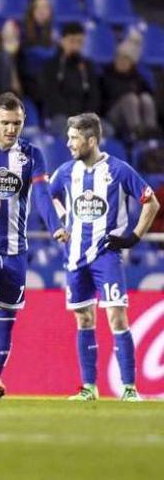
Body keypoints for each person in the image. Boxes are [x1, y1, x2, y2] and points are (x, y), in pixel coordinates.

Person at [0, 92, 68, 400]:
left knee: (7, 320)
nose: (11, 129)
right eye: (6, 122)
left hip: (15, 250)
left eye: (17, 123)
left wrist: (55, 226)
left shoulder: (32, 154)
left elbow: (42, 195)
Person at [49, 113, 160, 401]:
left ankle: (129, 388)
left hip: (106, 256)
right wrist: (60, 223)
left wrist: (132, 237)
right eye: (69, 137)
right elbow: (48, 196)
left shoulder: (119, 170)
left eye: (74, 138)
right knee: (84, 319)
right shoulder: (65, 172)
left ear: (92, 140)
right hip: (74, 258)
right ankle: (89, 388)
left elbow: (151, 203)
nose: (69, 143)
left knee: (116, 317)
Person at [39, 23, 101, 134]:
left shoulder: (88, 67)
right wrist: (73, 117)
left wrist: (85, 116)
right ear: (62, 41)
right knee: (71, 131)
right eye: (72, 41)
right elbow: (51, 95)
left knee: (107, 130)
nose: (76, 46)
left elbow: (93, 95)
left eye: (79, 42)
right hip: (60, 116)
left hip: (84, 118)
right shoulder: (52, 66)